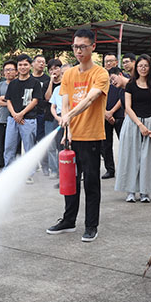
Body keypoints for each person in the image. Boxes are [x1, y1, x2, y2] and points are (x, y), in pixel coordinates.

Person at [46, 28, 109, 242]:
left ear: (93, 46)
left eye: (83, 46)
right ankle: (68, 220)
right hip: (71, 137)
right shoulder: (70, 73)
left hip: (91, 136)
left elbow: (90, 99)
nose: (78, 51)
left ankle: (91, 225)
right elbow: (65, 100)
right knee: (69, 181)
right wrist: (67, 129)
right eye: (75, 47)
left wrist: (69, 115)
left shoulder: (100, 74)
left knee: (91, 183)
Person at [115, 54, 151, 203]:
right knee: (130, 156)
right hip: (132, 123)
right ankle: (130, 191)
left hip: (150, 122)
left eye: (146, 66)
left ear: (150, 68)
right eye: (140, 66)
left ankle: (145, 191)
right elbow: (127, 107)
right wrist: (140, 125)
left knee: (148, 158)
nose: (143, 68)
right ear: (136, 67)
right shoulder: (130, 84)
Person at [4, 54, 43, 184]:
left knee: (29, 147)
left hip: (29, 120)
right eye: (20, 65)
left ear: (30, 66)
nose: (23, 67)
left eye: (25, 64)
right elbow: (8, 100)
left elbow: (35, 100)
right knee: (9, 146)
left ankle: (29, 173)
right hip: (12, 119)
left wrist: (21, 113)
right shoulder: (13, 83)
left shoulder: (35, 83)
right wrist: (15, 114)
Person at [102, 66, 126, 179]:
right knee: (105, 145)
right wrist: (106, 113)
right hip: (105, 116)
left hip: (119, 116)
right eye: (106, 61)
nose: (108, 63)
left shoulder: (123, 81)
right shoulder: (104, 80)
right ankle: (110, 169)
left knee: (125, 143)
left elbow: (123, 99)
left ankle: (125, 169)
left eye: (111, 61)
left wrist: (111, 112)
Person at [0, 60, 17, 170]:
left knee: (16, 145)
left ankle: (15, 166)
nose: (8, 72)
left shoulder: (18, 84)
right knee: (1, 144)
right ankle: (2, 165)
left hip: (16, 119)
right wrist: (8, 103)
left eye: (11, 69)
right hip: (2, 119)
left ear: (16, 72)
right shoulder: (0, 85)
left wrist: (4, 99)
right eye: (6, 70)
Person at [44, 59, 65, 178]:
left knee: (61, 144)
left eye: (56, 68)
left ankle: (63, 169)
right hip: (50, 117)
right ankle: (54, 169)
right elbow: (48, 98)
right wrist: (51, 82)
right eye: (51, 69)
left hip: (64, 116)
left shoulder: (67, 82)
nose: (54, 71)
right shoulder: (50, 84)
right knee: (51, 145)